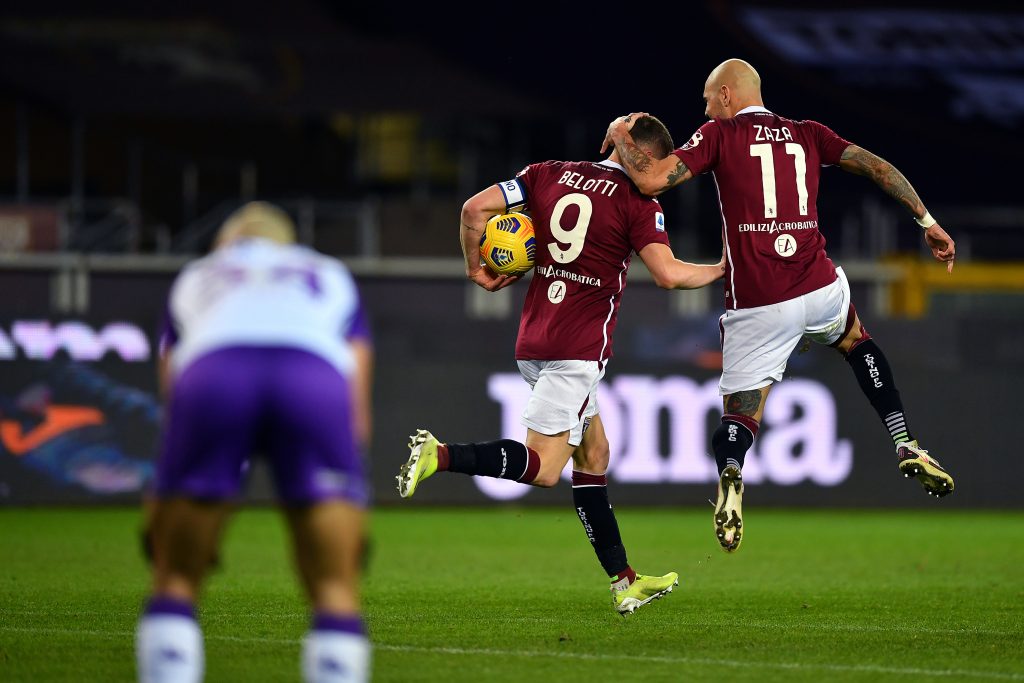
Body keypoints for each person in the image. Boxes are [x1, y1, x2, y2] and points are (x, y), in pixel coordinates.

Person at [602, 59, 957, 554]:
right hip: (818, 286)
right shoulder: (807, 133)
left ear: (727, 95)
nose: (705, 110)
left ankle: (731, 471)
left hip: (759, 303)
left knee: (739, 418)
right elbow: (877, 167)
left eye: (708, 99)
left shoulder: (719, 135)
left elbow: (652, 180)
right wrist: (927, 222)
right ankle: (905, 441)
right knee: (856, 341)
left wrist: (621, 134)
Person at [395, 116, 725, 614]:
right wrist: (725, 268)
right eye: (663, 168)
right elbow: (669, 275)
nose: (664, 178)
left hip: (533, 340)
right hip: (577, 352)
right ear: (648, 159)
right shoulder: (638, 204)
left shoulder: (547, 173)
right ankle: (440, 455)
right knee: (546, 468)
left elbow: (473, 209)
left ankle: (624, 581)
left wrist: (475, 267)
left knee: (594, 455)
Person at [136, 202, 373, 683]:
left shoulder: (198, 274)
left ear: (227, 244)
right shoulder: (328, 273)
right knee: (334, 585)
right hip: (311, 378)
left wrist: (166, 501)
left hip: (215, 373)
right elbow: (357, 417)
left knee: (176, 578)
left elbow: (172, 399)